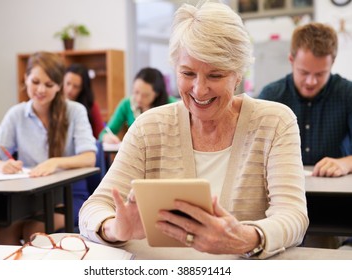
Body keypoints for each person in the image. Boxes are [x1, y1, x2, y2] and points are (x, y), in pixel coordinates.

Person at [79, 1, 308, 259]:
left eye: (215, 75)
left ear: (238, 74)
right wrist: (115, 228)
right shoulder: (148, 128)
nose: (199, 90)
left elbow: (293, 216)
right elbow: (94, 208)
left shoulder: (275, 122)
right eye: (188, 73)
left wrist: (246, 239)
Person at [0, 51, 97, 245]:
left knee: (33, 229)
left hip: (69, 195)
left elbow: (89, 157)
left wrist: (56, 162)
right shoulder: (16, 114)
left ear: (59, 86)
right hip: (28, 198)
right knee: (5, 227)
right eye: (35, 82)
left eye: (49, 84)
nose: (41, 89)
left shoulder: (75, 111)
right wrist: (0, 166)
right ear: (25, 79)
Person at [258, 22, 352, 178]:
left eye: (320, 74)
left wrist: (345, 163)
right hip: (281, 189)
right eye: (304, 72)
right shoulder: (271, 97)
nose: (311, 82)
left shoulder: (348, 94)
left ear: (332, 63)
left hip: (337, 192)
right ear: (291, 60)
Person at [99, 67, 177, 144]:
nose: (139, 99)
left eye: (145, 95)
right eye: (136, 92)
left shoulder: (173, 105)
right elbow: (105, 132)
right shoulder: (127, 104)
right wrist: (106, 137)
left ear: (157, 94)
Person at [63, 63, 105, 139]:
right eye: (68, 83)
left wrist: (105, 137)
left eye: (76, 86)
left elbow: (101, 133)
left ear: (82, 89)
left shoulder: (91, 106)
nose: (70, 90)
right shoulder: (54, 104)